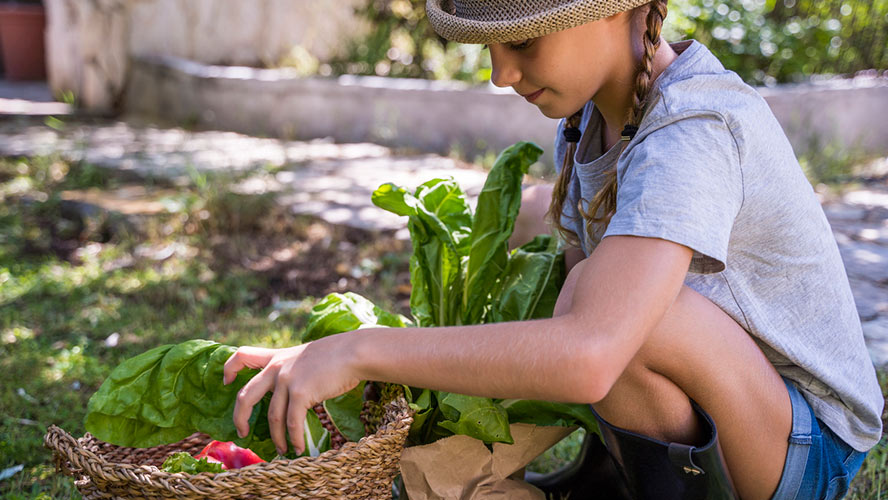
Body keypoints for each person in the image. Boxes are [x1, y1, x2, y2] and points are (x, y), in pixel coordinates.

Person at [222, 1, 884, 499]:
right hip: (737, 420)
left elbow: (591, 355)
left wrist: (358, 349)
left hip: (807, 452)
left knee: (608, 308)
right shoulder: (591, 119)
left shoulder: (695, 128)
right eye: (490, 47)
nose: (500, 73)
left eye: (524, 41)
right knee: (591, 291)